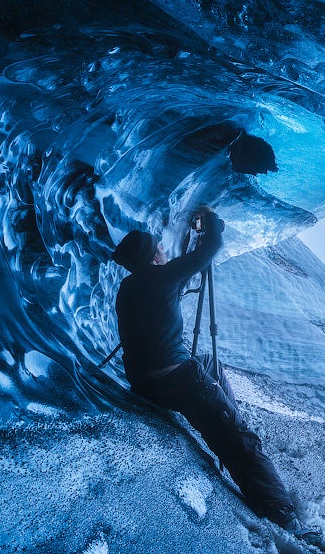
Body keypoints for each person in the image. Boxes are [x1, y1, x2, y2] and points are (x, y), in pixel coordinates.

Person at [110, 205, 295, 526]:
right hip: (175, 383)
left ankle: (227, 414)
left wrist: (192, 245)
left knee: (209, 362)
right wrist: (209, 223)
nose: (165, 249)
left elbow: (182, 271)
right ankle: (282, 515)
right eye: (160, 248)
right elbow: (212, 248)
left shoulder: (130, 287)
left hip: (145, 383)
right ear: (154, 258)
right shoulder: (162, 277)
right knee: (242, 444)